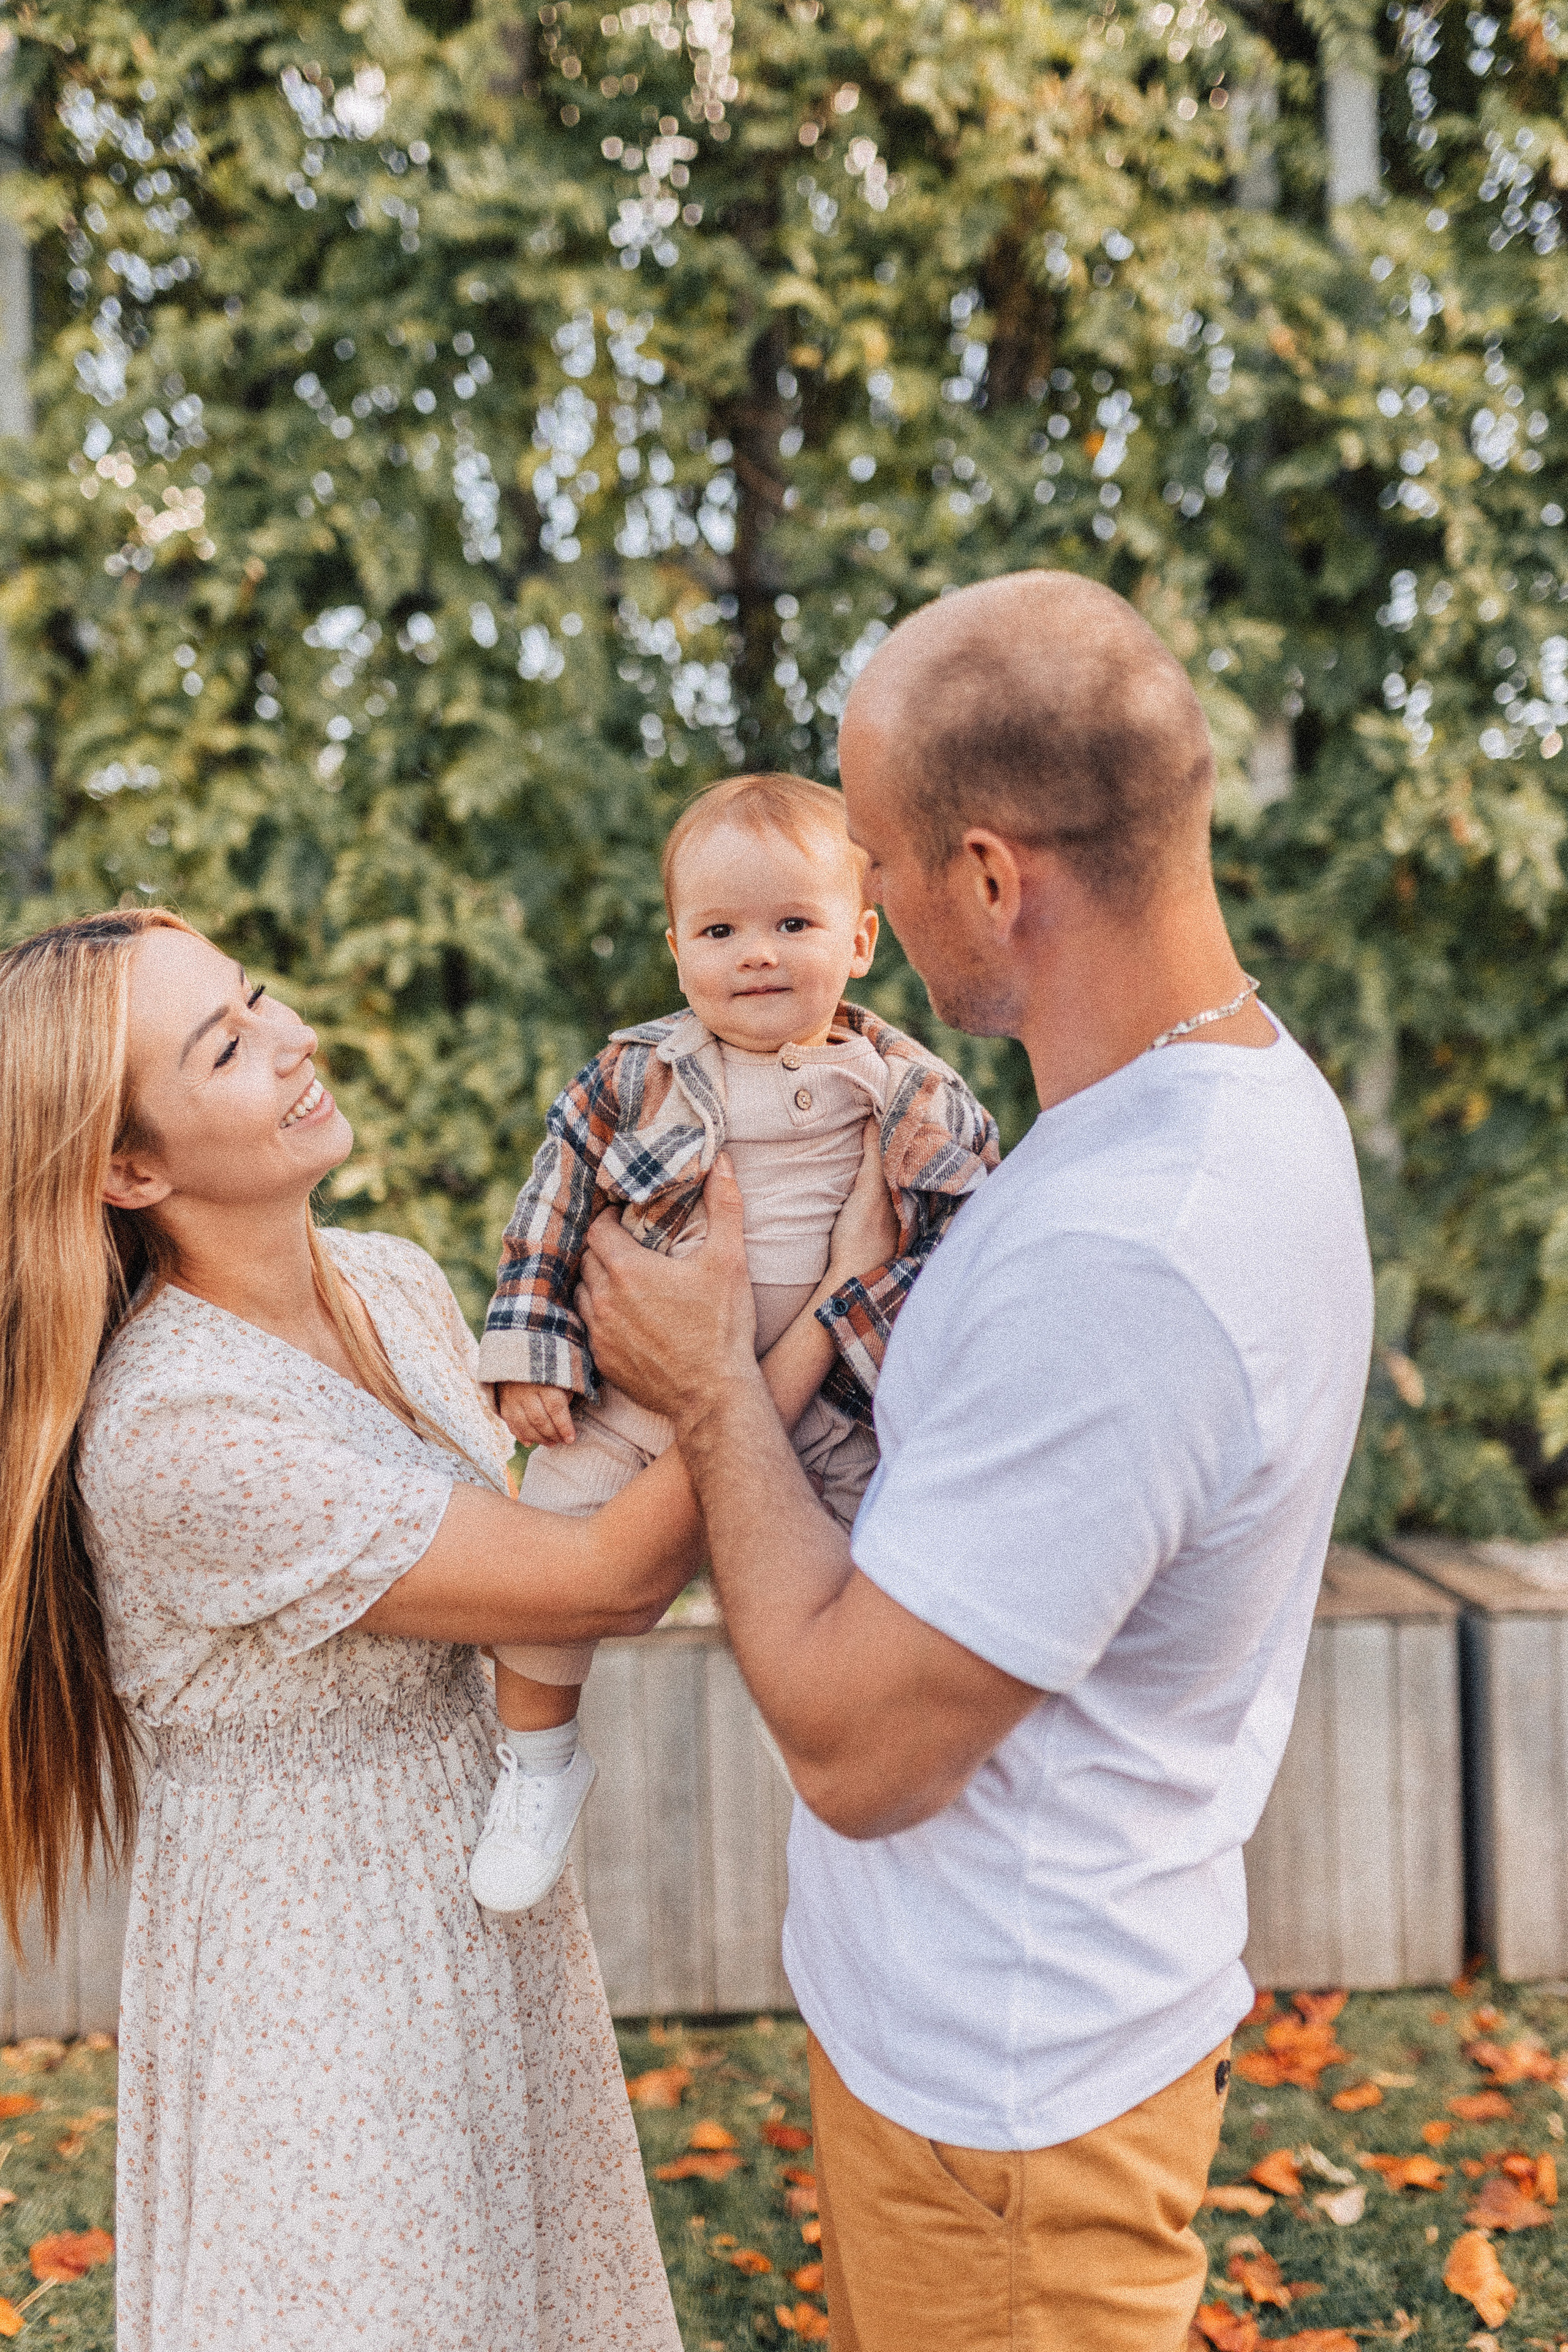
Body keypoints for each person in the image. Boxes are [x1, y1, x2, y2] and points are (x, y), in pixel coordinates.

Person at [576, 571, 1375, 2352]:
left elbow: (864, 1749)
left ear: (991, 876)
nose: (852, 899)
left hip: (1008, 2108)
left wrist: (708, 1391)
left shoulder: (1130, 1249)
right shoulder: (1219, 1100)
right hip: (984, 2041)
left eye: (875, 854)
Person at [0, 908, 895, 2352]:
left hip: (485, 1928)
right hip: (324, 1985)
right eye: (224, 1047)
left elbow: (598, 1502)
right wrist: (822, 1313)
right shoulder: (175, 1428)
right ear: (128, 1167)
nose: (291, 1040)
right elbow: (599, 1576)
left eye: (259, 994)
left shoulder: (395, 1283)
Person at [469, 771, 997, 1912]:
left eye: (792, 925)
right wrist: (532, 1355)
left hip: (834, 1410)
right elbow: (552, 1208)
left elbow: (966, 1239)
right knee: (541, 1568)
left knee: (863, 1601)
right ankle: (539, 1766)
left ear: (860, 942)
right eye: (721, 931)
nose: (756, 953)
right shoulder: (637, 1075)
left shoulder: (909, 1090)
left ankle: (832, 1756)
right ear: (677, 952)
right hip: (638, 1401)